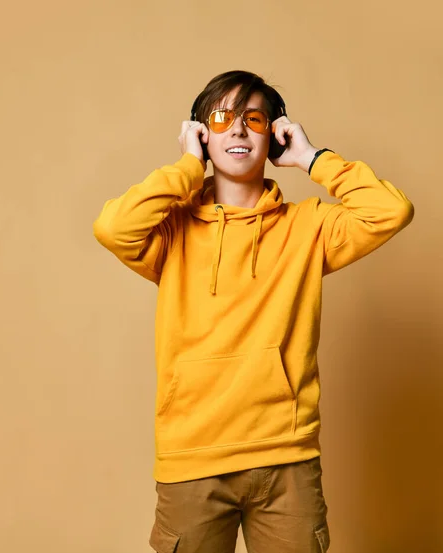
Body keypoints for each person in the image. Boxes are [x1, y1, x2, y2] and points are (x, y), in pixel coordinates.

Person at [92, 70, 414, 553]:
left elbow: (390, 210)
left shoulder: (309, 228)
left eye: (254, 118)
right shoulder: (171, 232)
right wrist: (186, 167)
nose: (238, 130)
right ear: (201, 134)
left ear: (274, 133)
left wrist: (311, 158)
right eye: (221, 118)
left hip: (286, 457)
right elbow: (112, 227)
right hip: (192, 459)